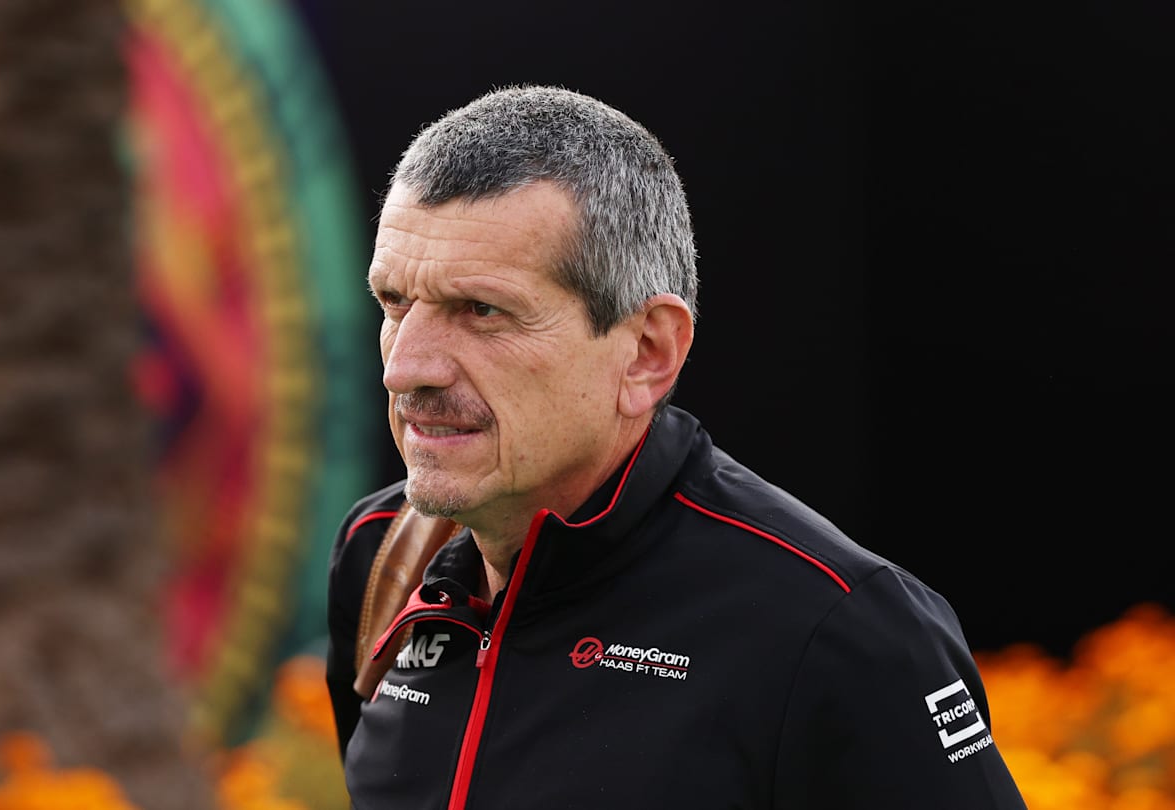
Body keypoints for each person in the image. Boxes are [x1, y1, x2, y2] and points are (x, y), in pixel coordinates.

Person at [324, 84, 1027, 810]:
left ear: (648, 353)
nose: (405, 367)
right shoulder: (379, 557)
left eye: (481, 310)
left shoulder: (845, 632)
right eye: (395, 303)